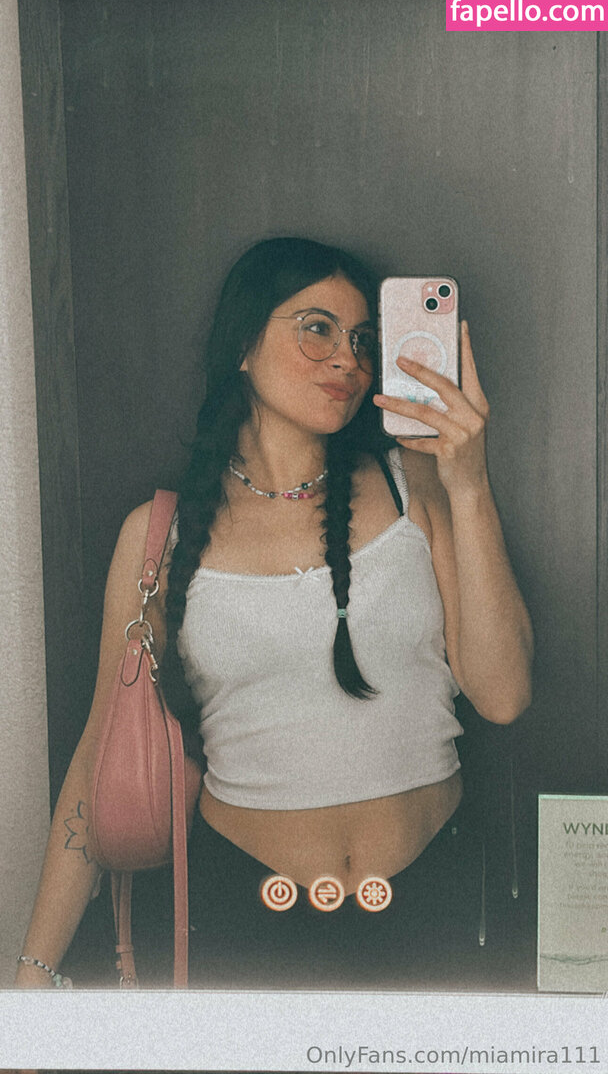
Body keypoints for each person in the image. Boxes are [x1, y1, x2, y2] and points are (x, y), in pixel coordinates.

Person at [15, 236, 533, 992]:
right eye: (317, 328)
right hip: (245, 916)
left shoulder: (412, 483)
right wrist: (32, 976)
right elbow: (99, 756)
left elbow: (504, 694)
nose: (347, 359)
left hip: (434, 904)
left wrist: (470, 484)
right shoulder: (159, 538)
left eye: (362, 340)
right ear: (243, 346)